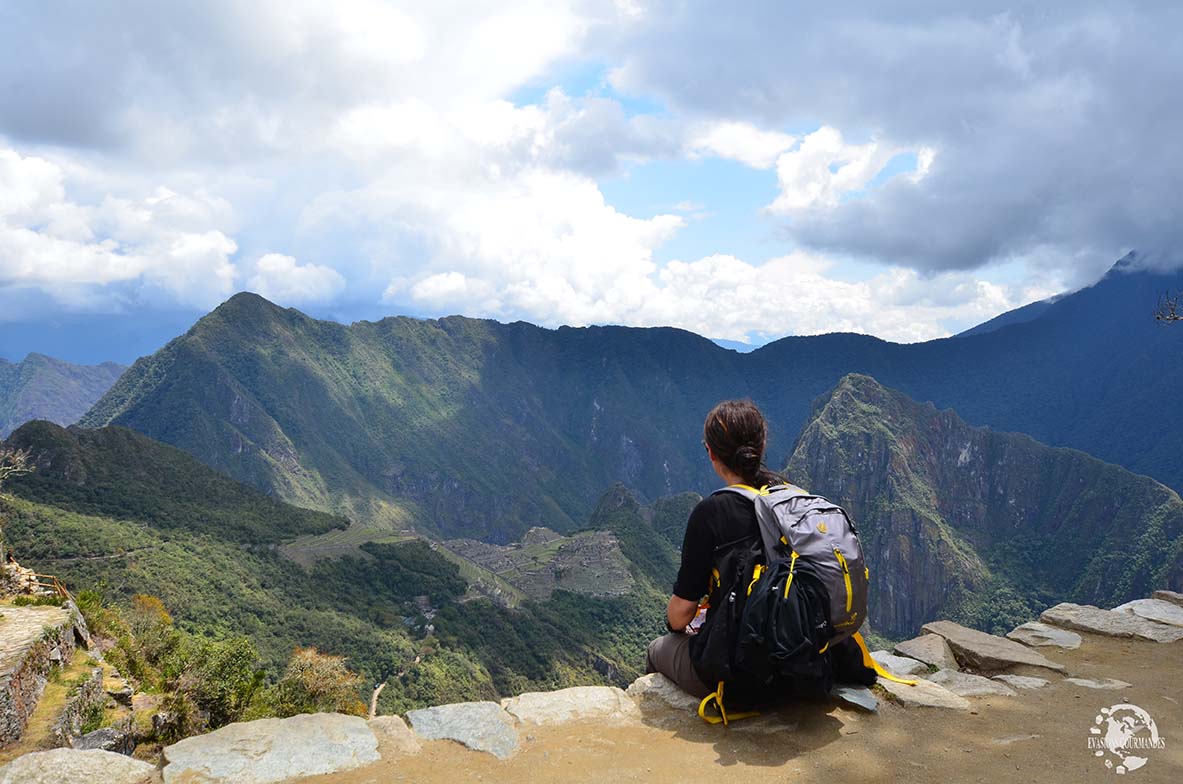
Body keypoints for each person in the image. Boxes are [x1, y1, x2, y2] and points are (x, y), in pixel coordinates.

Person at [644, 398, 783, 699]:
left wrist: (673, 623)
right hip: (799, 657)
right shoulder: (787, 499)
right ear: (761, 446)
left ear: (710, 452)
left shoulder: (711, 513)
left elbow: (681, 614)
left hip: (742, 674)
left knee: (657, 649)